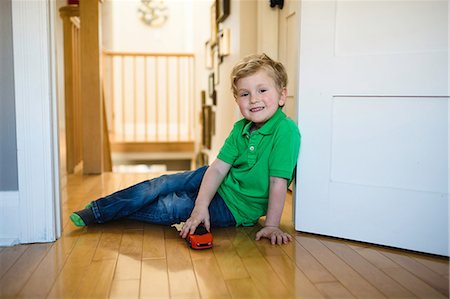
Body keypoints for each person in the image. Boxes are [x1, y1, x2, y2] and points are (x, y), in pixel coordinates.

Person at [70, 53, 301, 245]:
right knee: (162, 184)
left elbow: (277, 183)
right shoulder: (241, 128)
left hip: (235, 208)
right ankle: (99, 209)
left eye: (262, 91)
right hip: (215, 182)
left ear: (282, 96)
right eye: (244, 94)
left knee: (173, 205)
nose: (253, 100)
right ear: (237, 99)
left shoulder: (285, 131)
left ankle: (109, 213)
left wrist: (271, 225)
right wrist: (201, 205)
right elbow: (218, 169)